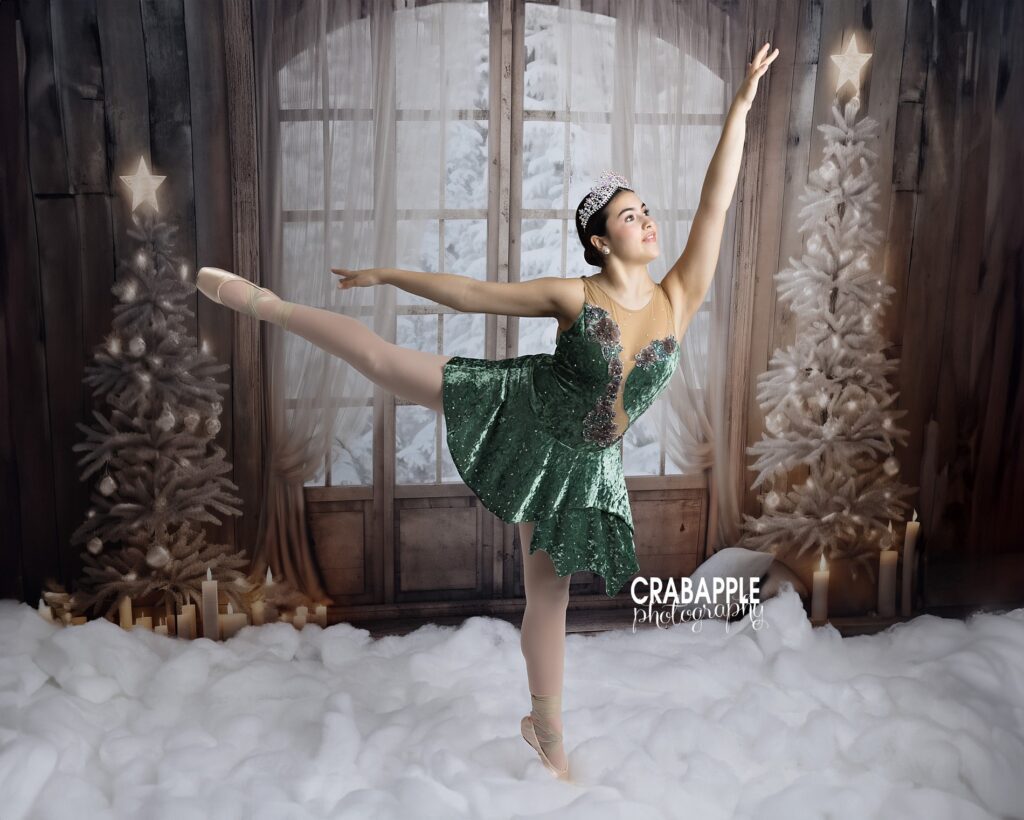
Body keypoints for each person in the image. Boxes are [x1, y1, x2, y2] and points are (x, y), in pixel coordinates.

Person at [197, 41, 779, 783]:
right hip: (523, 407)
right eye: (631, 216)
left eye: (646, 212)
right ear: (601, 240)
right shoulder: (577, 295)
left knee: (550, 598)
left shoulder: (679, 296)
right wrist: (387, 273)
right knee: (383, 363)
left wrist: (740, 107)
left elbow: (716, 202)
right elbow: (475, 294)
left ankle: (546, 730)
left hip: (586, 467)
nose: (648, 222)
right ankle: (269, 305)